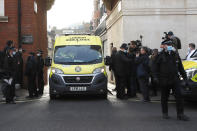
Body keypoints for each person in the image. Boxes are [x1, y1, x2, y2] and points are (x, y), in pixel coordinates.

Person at [152, 40, 190, 121]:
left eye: (170, 44)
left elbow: (181, 68)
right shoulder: (159, 55)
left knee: (179, 96)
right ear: (164, 46)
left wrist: (185, 78)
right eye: (167, 44)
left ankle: (180, 114)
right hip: (164, 79)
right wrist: (155, 77)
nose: (169, 46)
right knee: (164, 97)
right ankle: (165, 113)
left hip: (175, 79)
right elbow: (154, 68)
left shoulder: (175, 54)